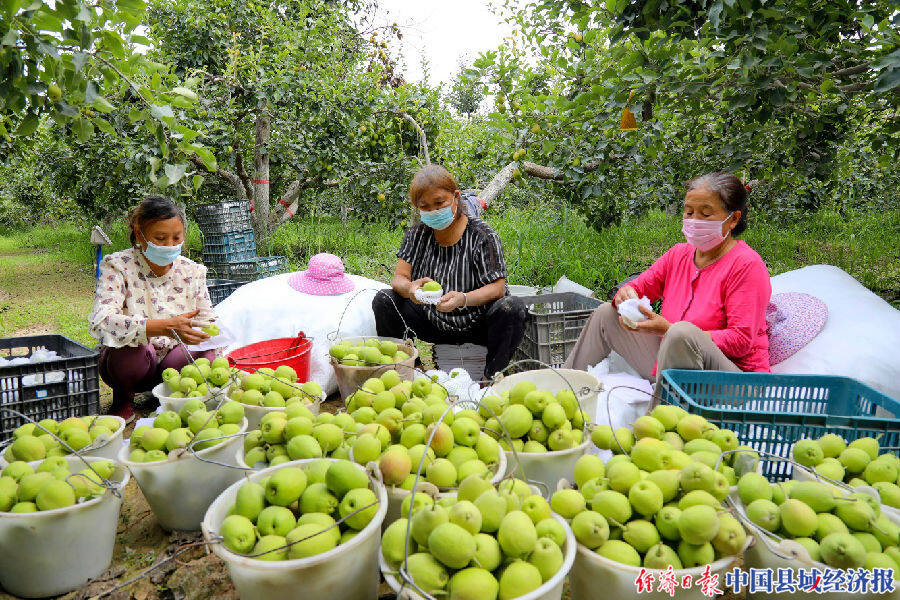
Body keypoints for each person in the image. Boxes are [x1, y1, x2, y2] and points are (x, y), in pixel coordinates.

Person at [564, 172, 771, 400]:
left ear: (733, 219)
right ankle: (561, 389)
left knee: (681, 332)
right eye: (689, 212)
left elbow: (741, 341)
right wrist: (625, 295)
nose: (694, 220)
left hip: (732, 381)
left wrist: (670, 331)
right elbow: (641, 286)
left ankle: (657, 423)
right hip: (674, 363)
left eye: (706, 214)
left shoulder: (746, 265)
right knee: (606, 313)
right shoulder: (679, 255)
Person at [372, 164, 527, 380]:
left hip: (477, 323)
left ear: (455, 197)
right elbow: (399, 278)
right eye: (425, 207)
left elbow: (498, 288)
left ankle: (491, 377)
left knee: (512, 308)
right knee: (384, 300)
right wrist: (411, 290)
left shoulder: (482, 235)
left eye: (439, 203)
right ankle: (411, 371)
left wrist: (463, 299)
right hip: (432, 321)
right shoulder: (418, 234)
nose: (434, 211)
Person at [89, 196, 217, 421]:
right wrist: (161, 327)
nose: (170, 245)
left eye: (176, 238)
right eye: (160, 238)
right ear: (140, 235)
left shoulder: (192, 271)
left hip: (173, 363)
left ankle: (169, 395)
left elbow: (207, 320)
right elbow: (101, 321)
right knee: (130, 347)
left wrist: (208, 334)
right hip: (133, 363)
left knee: (207, 352)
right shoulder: (117, 266)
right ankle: (124, 398)